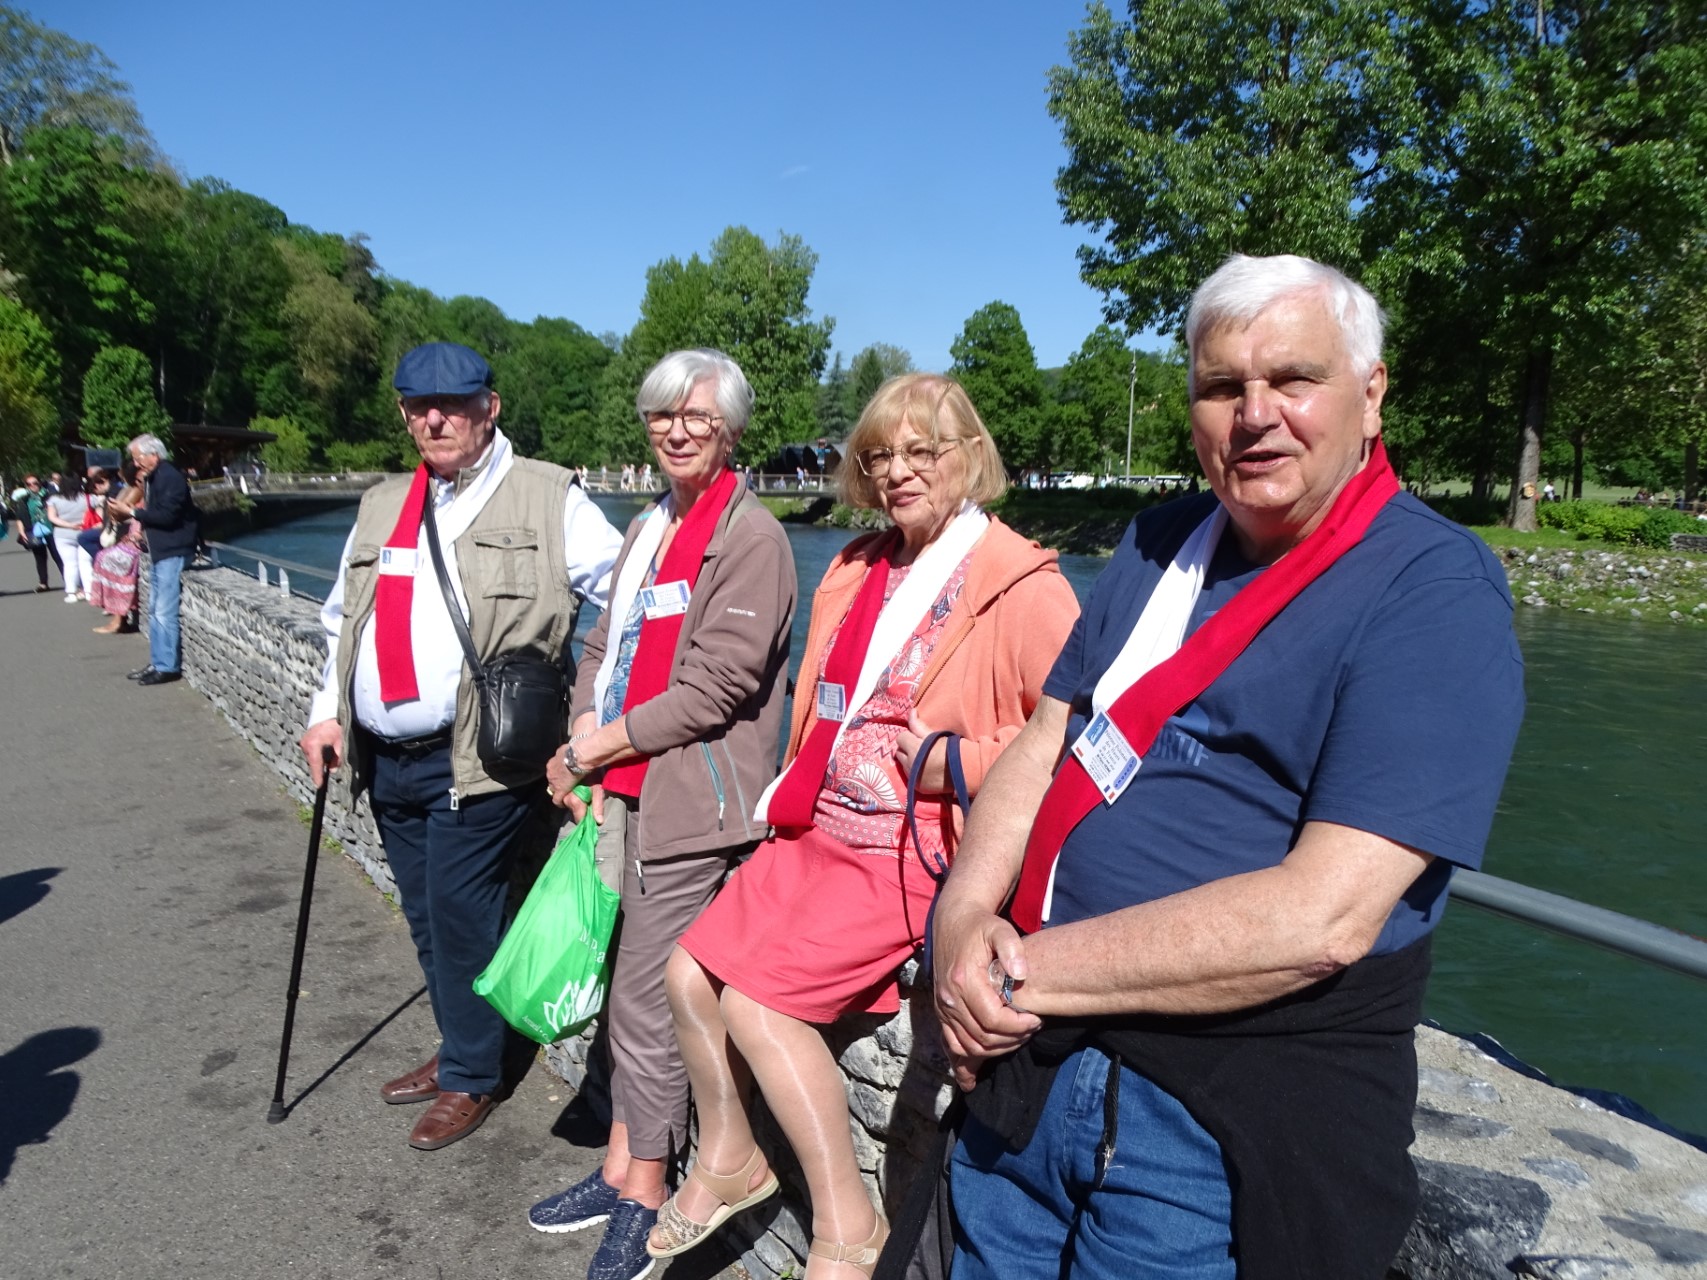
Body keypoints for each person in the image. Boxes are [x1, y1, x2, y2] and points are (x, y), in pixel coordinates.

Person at [931, 255, 1525, 1280]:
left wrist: (1018, 970)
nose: (1255, 415)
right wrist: (960, 920)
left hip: (1213, 1116)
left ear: (1370, 393)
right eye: (1221, 386)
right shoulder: (1157, 544)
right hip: (1026, 1071)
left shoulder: (1432, 590)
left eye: (1294, 378)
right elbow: (1041, 746)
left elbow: (1323, 917)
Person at [647, 374, 1079, 1278]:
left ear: (969, 456)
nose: (896, 472)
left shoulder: (1021, 584)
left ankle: (850, 1226)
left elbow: (1072, 733)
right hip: (816, 828)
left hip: (908, 852)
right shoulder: (855, 565)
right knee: (686, 973)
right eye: (879, 455)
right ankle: (730, 1156)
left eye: (922, 451)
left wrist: (958, 761)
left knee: (757, 1005)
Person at [296, 342, 622, 1151]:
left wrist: (595, 713)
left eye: (453, 404)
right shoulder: (382, 504)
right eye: (418, 405)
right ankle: (459, 1048)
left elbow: (629, 605)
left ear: (489, 407)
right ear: (404, 411)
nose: (434, 419)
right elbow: (341, 621)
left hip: (479, 754)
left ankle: (474, 1074)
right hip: (384, 754)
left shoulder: (548, 496)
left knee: (459, 909)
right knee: (424, 915)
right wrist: (326, 713)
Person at [525, 349, 798, 1280]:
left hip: (691, 807)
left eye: (697, 417)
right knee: (622, 987)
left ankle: (644, 1190)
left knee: (646, 999)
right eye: (661, 416)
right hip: (623, 790)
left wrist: (592, 750)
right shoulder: (651, 524)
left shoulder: (751, 539)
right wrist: (581, 734)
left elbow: (715, 689)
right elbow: (601, 644)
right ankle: (618, 1164)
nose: (677, 431)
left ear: (731, 430)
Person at [104, 436, 200, 686]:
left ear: (154, 455)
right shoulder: (156, 477)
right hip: (161, 552)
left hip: (173, 550)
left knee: (164, 612)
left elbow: (167, 516)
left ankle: (167, 666)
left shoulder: (170, 478)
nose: (136, 463)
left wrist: (131, 511)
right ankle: (157, 662)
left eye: (139, 458)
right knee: (155, 611)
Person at [89, 479, 145, 634]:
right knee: (102, 557)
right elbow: (116, 515)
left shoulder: (151, 497)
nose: (140, 483)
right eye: (138, 480)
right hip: (133, 541)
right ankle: (116, 614)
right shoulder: (137, 493)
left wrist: (138, 536)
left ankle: (119, 618)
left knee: (111, 561)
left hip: (140, 545)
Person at [45, 472, 94, 603]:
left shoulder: (54, 500)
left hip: (63, 534)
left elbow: (52, 517)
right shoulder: (88, 498)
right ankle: (89, 592)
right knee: (86, 563)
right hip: (85, 533)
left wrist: (69, 525)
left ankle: (71, 592)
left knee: (69, 564)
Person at [13, 475, 60, 593]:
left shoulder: (49, 496)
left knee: (57, 555)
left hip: (51, 529)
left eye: (35, 483)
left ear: (39, 483)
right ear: (26, 486)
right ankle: (43, 583)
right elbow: (19, 517)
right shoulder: (24, 500)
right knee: (40, 558)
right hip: (34, 531)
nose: (33, 486)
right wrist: (21, 531)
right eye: (29, 484)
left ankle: (69, 580)